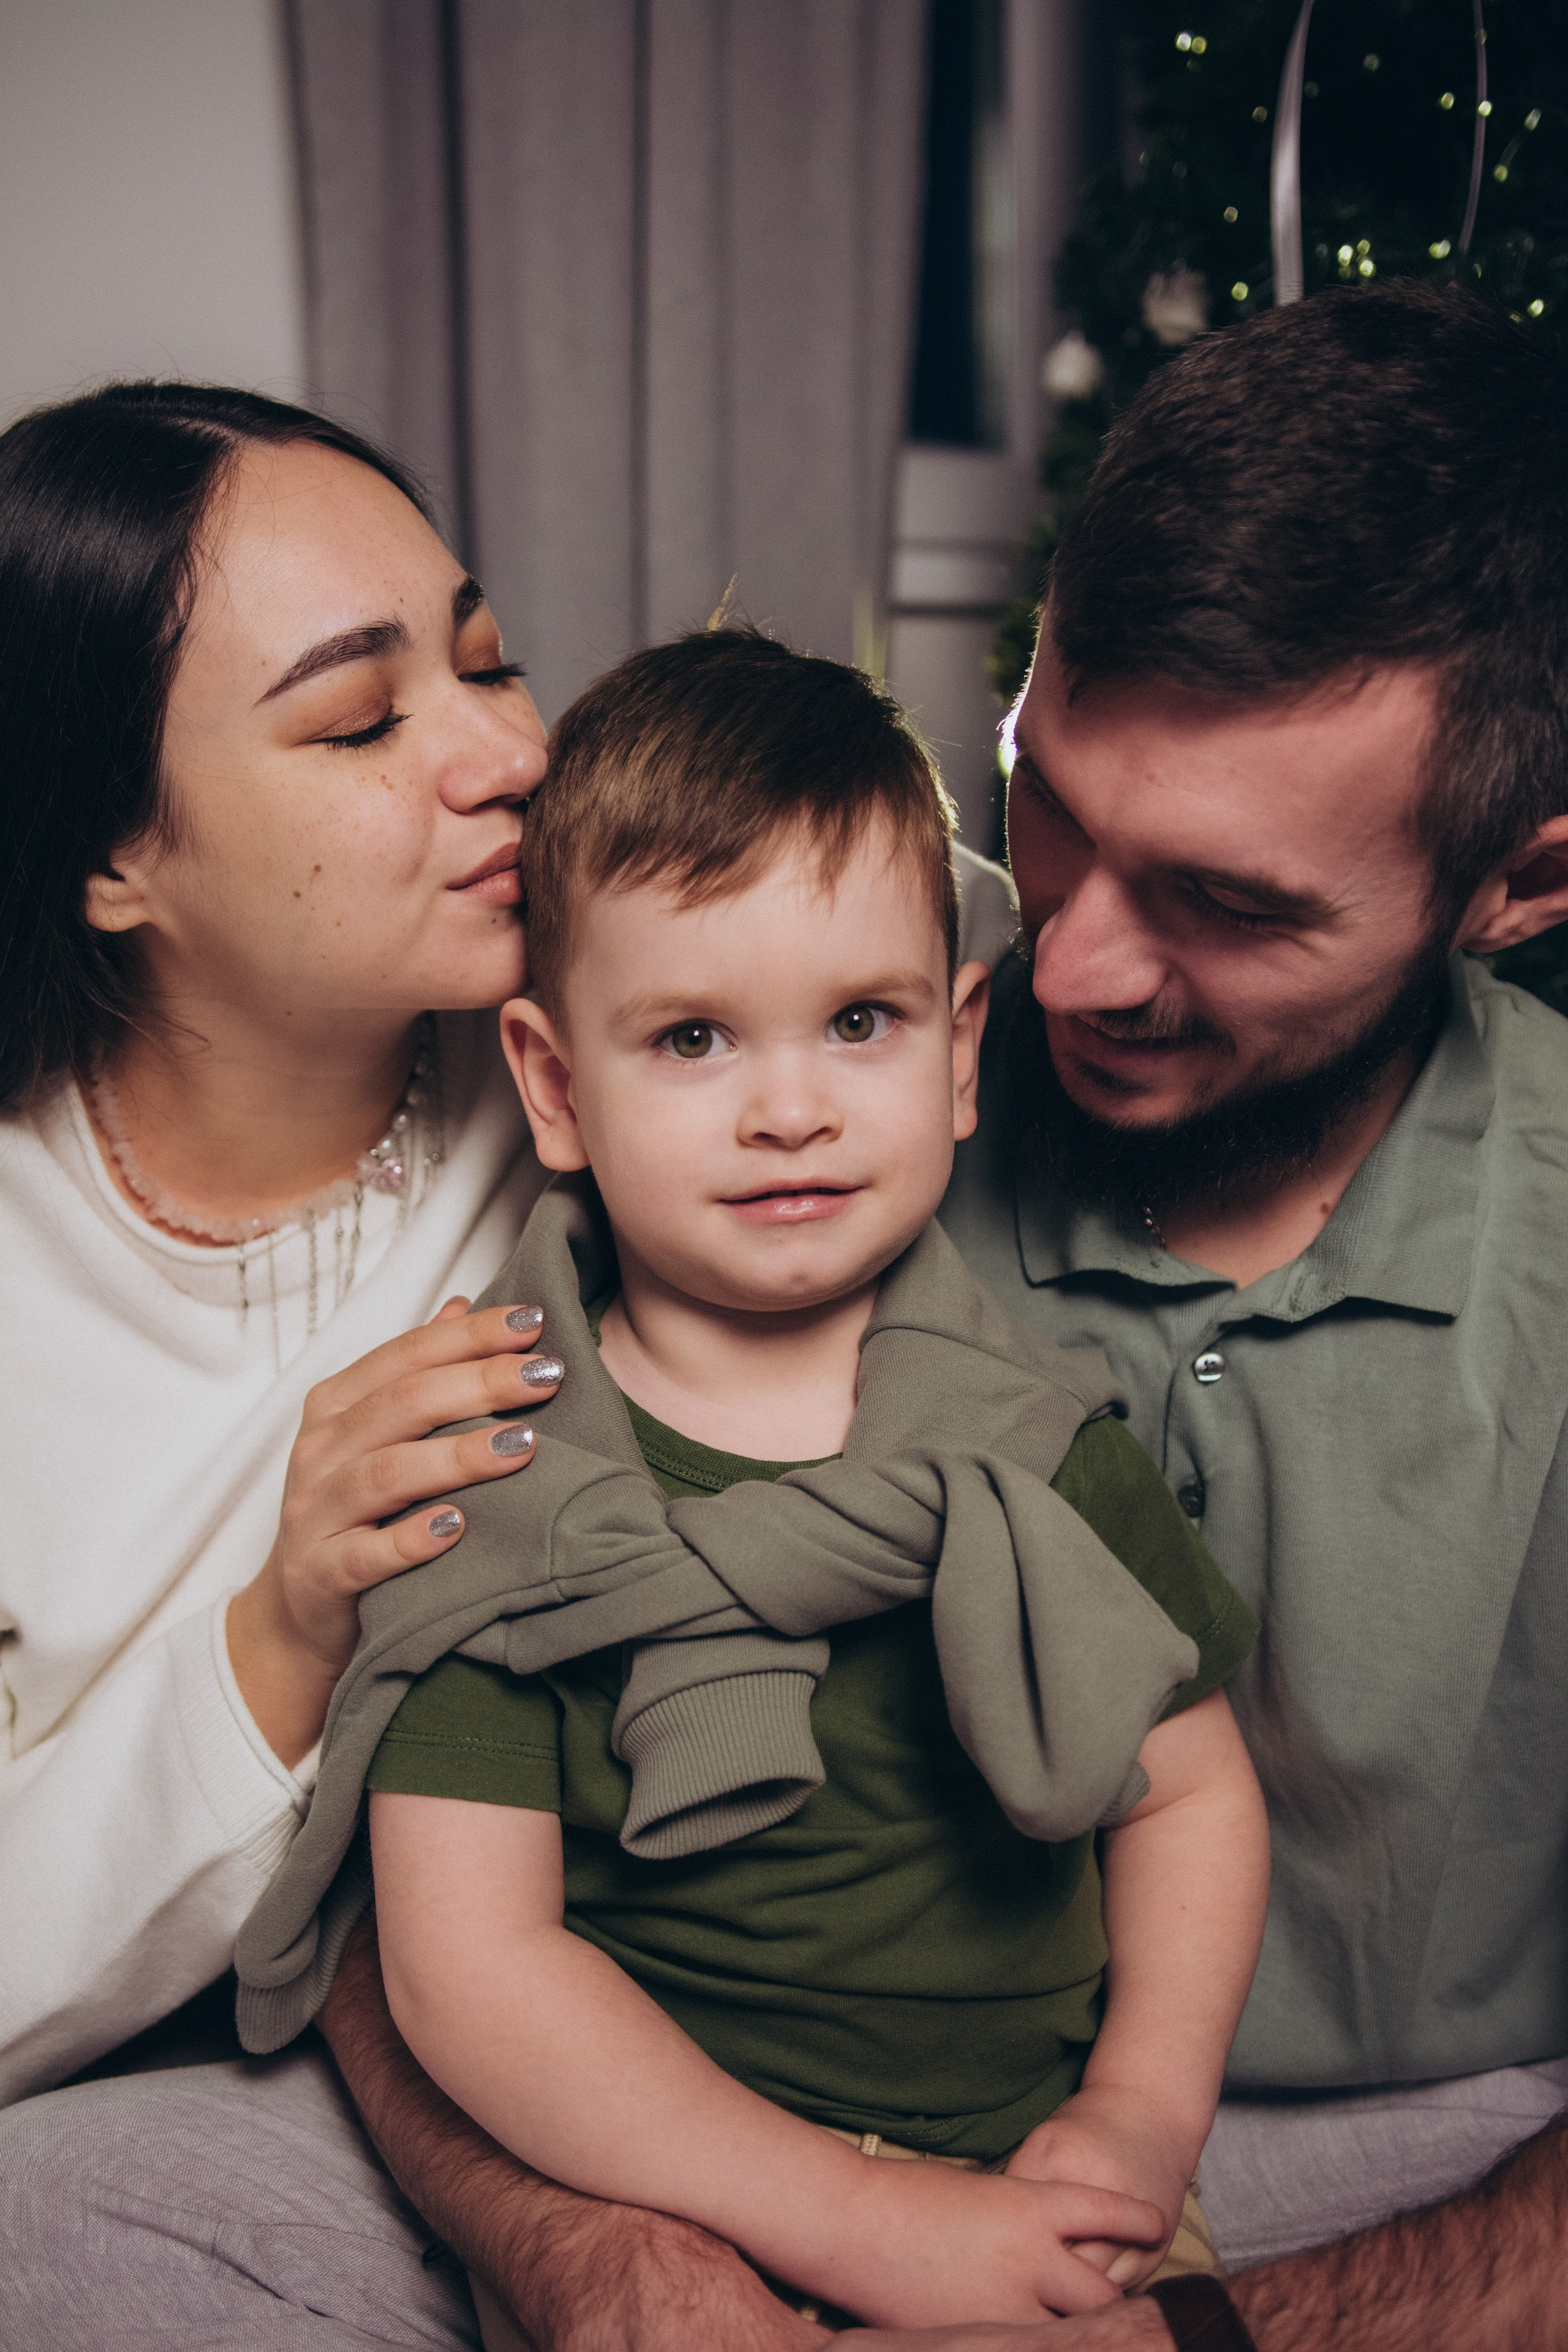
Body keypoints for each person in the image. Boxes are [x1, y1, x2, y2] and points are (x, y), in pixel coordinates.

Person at [0, 386, 1020, 2348]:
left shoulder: (617, 1060)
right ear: (114, 854)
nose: (511, 757)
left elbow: (941, 950)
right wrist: (285, 1629)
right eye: (364, 720)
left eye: (488, 659)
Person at [263, 628, 1265, 2332]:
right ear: (557, 1087)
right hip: (666, 2208)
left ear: (960, 1054)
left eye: (859, 1021)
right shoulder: (504, 1475)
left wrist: (1139, 2117)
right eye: (695, 1041)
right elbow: (471, 1969)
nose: (790, 1107)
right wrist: (850, 2219)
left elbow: (1191, 1800)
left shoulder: (1036, 1438)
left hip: (1042, 2191)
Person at [933, 282, 1568, 2349]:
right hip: (843, 2123)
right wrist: (631, 2272)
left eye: (1228, 900)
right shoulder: (798, 1088)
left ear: (1523, 884)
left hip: (1453, 2155)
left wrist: (1211, 2336)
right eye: (1050, 797)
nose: (1067, 969)